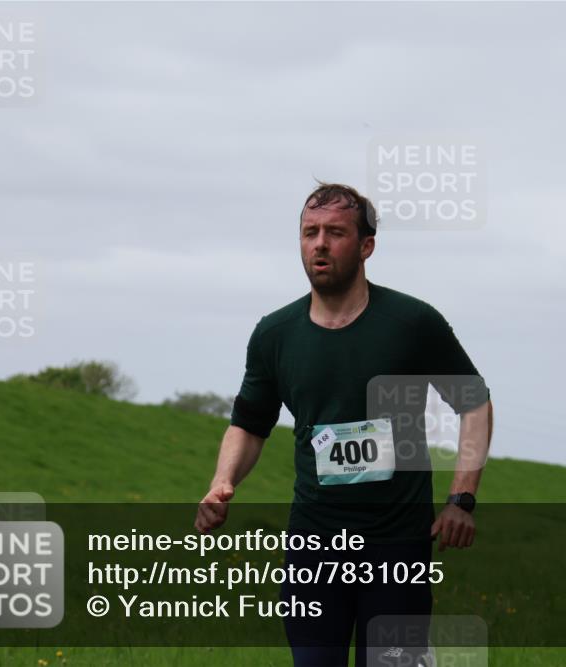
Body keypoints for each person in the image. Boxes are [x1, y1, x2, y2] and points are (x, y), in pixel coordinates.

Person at [193, 183, 493, 667]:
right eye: (309, 232)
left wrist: (461, 499)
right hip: (314, 543)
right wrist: (222, 482)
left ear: (366, 246)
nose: (319, 244)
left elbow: (474, 404)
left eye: (335, 232)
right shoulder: (276, 334)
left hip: (398, 547)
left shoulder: (412, 323)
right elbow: (249, 423)